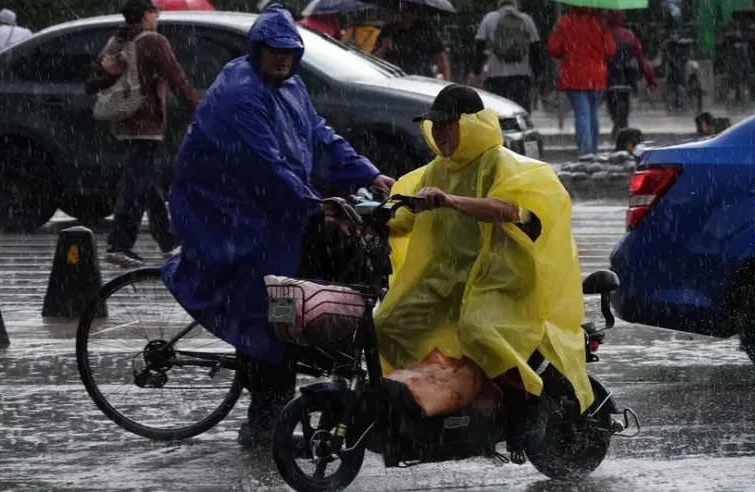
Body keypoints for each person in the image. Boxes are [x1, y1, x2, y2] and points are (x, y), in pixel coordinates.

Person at [160, 4, 395, 448]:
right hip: (228, 213)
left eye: (290, 50)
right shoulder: (241, 94)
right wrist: (316, 205)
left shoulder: (292, 86)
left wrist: (367, 173)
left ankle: (294, 378)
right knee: (270, 310)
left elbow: (319, 137)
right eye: (274, 50)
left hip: (270, 207)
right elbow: (266, 167)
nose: (283, 57)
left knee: (314, 286)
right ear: (258, 49)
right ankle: (264, 421)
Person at [375, 83, 593, 463]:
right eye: (434, 125)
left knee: (478, 330)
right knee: (388, 325)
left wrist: (450, 201)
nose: (439, 133)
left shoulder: (502, 164)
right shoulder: (436, 171)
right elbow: (406, 215)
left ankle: (525, 405)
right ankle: (441, 402)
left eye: (446, 124)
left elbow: (510, 210)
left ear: (470, 125)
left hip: (502, 277)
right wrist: (361, 218)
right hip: (447, 280)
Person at [85, 0, 200, 267]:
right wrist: (199, 107)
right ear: (146, 15)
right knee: (136, 185)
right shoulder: (154, 41)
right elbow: (177, 78)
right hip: (146, 123)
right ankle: (119, 244)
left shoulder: (117, 41)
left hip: (125, 121)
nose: (156, 18)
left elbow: (91, 82)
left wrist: (110, 73)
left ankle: (168, 242)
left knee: (148, 184)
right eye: (154, 13)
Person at [547, 7, 616, 161]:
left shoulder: (564, 22)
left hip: (574, 75)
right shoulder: (599, 23)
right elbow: (610, 50)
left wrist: (567, 52)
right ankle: (593, 150)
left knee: (582, 113)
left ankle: (585, 152)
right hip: (597, 75)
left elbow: (553, 48)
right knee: (592, 113)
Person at [468, 0, 543, 112]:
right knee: (520, 112)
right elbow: (535, 48)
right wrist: (537, 74)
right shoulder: (526, 19)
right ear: (516, 4)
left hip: (495, 76)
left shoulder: (489, 18)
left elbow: (479, 46)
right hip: (521, 77)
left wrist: (476, 72)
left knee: (497, 113)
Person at [603, 10, 657, 140]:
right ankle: (622, 130)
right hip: (627, 78)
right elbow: (641, 59)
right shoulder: (629, 36)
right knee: (624, 104)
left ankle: (619, 128)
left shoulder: (604, 35)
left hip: (609, 78)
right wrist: (650, 79)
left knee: (613, 105)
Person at [373, 4, 451, 80]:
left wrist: (446, 81)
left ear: (413, 13)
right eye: (401, 12)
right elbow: (374, 61)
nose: (405, 16)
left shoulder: (424, 28)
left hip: (422, 78)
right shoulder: (388, 31)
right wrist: (383, 48)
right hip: (395, 79)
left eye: (407, 12)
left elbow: (441, 57)